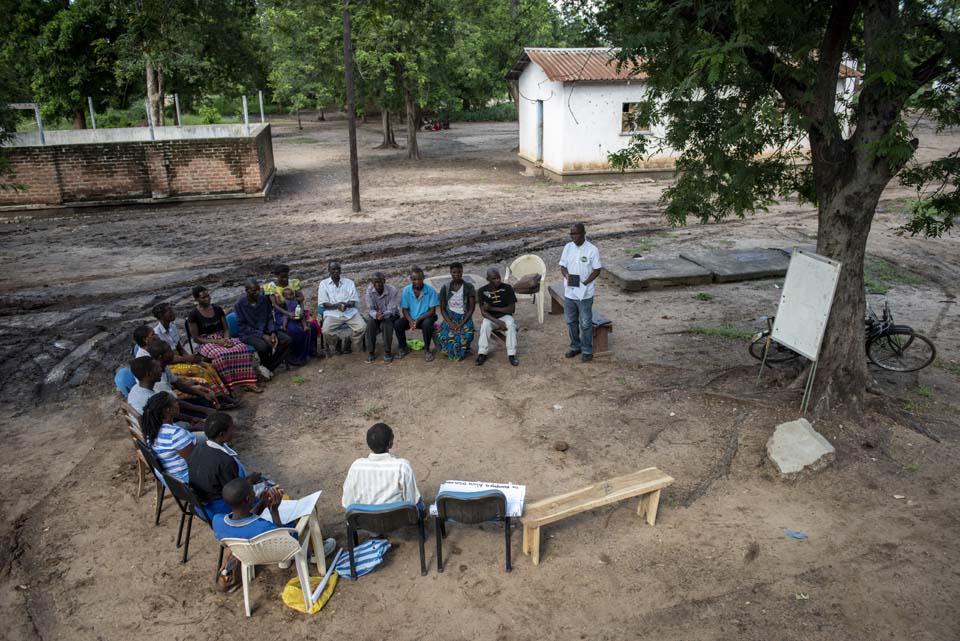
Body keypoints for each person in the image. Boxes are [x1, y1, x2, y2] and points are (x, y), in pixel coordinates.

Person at [211, 478, 337, 555]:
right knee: (309, 511)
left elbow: (245, 519)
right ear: (249, 499)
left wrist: (263, 504)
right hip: (276, 552)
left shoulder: (217, 521)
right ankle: (317, 552)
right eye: (253, 491)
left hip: (248, 554)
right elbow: (288, 540)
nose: (256, 494)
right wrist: (274, 511)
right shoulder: (264, 527)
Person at [187, 286, 262, 393]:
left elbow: (226, 328)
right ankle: (228, 387)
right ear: (196, 299)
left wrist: (226, 339)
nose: (207, 299)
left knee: (242, 349)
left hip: (222, 337)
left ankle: (248, 382)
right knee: (220, 356)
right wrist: (217, 342)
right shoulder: (193, 315)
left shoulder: (217, 309)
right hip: (206, 341)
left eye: (208, 296)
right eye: (203, 298)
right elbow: (196, 338)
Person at [188, 412, 265, 517]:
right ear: (222, 434)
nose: (234, 430)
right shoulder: (226, 461)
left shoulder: (199, 447)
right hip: (217, 508)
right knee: (267, 489)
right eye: (231, 428)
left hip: (201, 504)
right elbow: (235, 493)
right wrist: (250, 481)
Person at [341, 423, 422, 512]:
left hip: (365, 523)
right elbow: (412, 502)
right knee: (419, 502)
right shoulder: (402, 467)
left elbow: (347, 503)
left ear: (368, 443)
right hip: (398, 522)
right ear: (390, 444)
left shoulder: (356, 467)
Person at [150, 304, 229, 394]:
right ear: (161, 316)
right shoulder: (157, 334)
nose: (173, 313)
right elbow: (164, 359)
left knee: (208, 366)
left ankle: (223, 393)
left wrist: (191, 358)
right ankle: (216, 398)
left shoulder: (172, 327)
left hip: (180, 359)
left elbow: (179, 347)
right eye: (169, 312)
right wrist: (187, 359)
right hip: (170, 365)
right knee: (201, 371)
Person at [148, 340, 239, 411]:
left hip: (172, 400)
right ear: (160, 357)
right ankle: (216, 403)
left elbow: (178, 384)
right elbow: (173, 402)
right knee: (205, 407)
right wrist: (203, 410)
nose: (172, 353)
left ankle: (218, 399)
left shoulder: (164, 367)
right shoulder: (159, 379)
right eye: (169, 351)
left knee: (203, 394)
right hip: (170, 407)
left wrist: (203, 394)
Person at [559, 222, 602, 363]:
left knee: (585, 323)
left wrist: (584, 283)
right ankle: (575, 347)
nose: (573, 237)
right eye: (571, 234)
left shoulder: (592, 250)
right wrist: (567, 277)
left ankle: (587, 350)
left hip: (585, 293)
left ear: (584, 233)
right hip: (570, 292)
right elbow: (563, 266)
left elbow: (597, 270)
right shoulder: (568, 247)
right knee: (571, 321)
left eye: (576, 233)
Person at [126, 355, 210, 425]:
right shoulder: (152, 399)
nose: (160, 369)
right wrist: (194, 421)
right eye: (156, 367)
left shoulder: (135, 389)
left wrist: (191, 419)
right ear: (149, 375)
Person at [234, 278, 291, 372]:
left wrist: (272, 332)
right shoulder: (239, 304)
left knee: (287, 340)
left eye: (258, 290)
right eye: (254, 291)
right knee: (263, 347)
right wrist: (262, 336)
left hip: (266, 329)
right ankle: (267, 367)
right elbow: (243, 326)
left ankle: (268, 367)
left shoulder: (264, 299)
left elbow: (270, 317)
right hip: (249, 333)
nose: (257, 292)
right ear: (247, 291)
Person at [140, 393, 199, 483]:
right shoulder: (175, 434)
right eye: (175, 402)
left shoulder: (151, 428)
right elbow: (195, 463)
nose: (178, 403)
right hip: (185, 480)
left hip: (170, 478)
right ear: (168, 410)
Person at [264, 263, 320, 356]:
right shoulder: (272, 287)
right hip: (282, 314)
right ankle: (296, 354)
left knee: (312, 326)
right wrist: (288, 313)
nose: (285, 279)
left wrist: (302, 311)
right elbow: (274, 305)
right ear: (276, 276)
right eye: (282, 277)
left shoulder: (293, 283)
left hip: (296, 310)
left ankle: (311, 350)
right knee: (294, 329)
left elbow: (301, 299)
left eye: (286, 276)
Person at [318, 261, 366, 354]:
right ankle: (337, 342)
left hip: (349, 312)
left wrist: (346, 305)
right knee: (326, 331)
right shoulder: (323, 284)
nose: (336, 271)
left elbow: (353, 300)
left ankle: (350, 340)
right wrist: (337, 305)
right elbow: (324, 304)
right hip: (332, 314)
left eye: (338, 269)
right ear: (329, 270)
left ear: (340, 270)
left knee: (362, 327)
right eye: (333, 269)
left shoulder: (349, 283)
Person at [476, 267, 519, 367]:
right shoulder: (482, 291)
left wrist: (491, 308)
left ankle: (512, 354)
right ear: (488, 279)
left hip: (505, 317)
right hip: (491, 318)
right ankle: (482, 353)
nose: (498, 280)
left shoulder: (507, 288)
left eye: (498, 278)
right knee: (485, 326)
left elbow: (511, 309)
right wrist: (497, 321)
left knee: (511, 324)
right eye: (494, 279)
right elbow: (483, 312)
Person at [397, 267, 439, 362]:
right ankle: (403, 347)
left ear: (423, 278)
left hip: (425, 317)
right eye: (414, 279)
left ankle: (427, 350)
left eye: (419, 279)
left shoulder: (430, 290)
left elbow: (432, 311)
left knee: (427, 324)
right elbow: (404, 309)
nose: (417, 281)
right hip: (411, 318)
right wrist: (411, 321)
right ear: (411, 279)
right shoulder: (406, 290)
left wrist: (418, 320)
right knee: (398, 324)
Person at [436, 262, 476, 362]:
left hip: (464, 316)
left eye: (459, 272)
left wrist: (461, 323)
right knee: (444, 334)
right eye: (454, 272)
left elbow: (471, 308)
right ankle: (452, 350)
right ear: (450, 273)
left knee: (466, 333)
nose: (457, 274)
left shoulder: (468, 287)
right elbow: (442, 309)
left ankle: (465, 348)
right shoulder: (445, 288)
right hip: (450, 316)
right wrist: (450, 323)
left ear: (462, 272)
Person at [364, 272, 401, 363]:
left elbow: (392, 309)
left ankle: (387, 351)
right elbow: (370, 309)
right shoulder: (369, 291)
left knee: (386, 324)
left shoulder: (392, 290)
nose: (378, 284)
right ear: (372, 282)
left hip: (390, 315)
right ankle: (371, 351)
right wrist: (376, 315)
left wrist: (383, 315)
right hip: (376, 315)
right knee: (370, 323)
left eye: (380, 281)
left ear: (384, 281)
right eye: (375, 282)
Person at [274, 287, 311, 366]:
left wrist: (300, 295)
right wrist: (277, 297)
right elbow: (278, 304)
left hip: (297, 313)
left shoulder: (295, 300)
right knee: (285, 319)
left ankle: (305, 326)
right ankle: (284, 327)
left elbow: (301, 299)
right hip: (288, 314)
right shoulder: (284, 302)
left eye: (291, 294)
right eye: (287, 295)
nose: (289, 296)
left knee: (303, 318)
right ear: (284, 296)